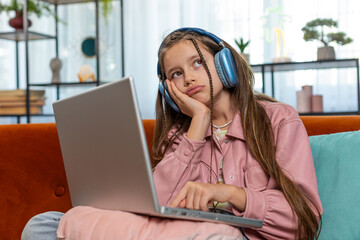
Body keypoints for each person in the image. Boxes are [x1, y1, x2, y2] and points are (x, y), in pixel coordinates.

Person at [22, 27, 322, 240]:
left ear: (226, 64)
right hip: (168, 232)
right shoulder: (180, 136)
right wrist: (199, 123)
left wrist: (229, 194)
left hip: (231, 235)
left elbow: (302, 220)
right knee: (43, 226)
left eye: (197, 63)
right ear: (168, 89)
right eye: (176, 74)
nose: (188, 77)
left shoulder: (279, 120)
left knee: (215, 235)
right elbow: (153, 207)